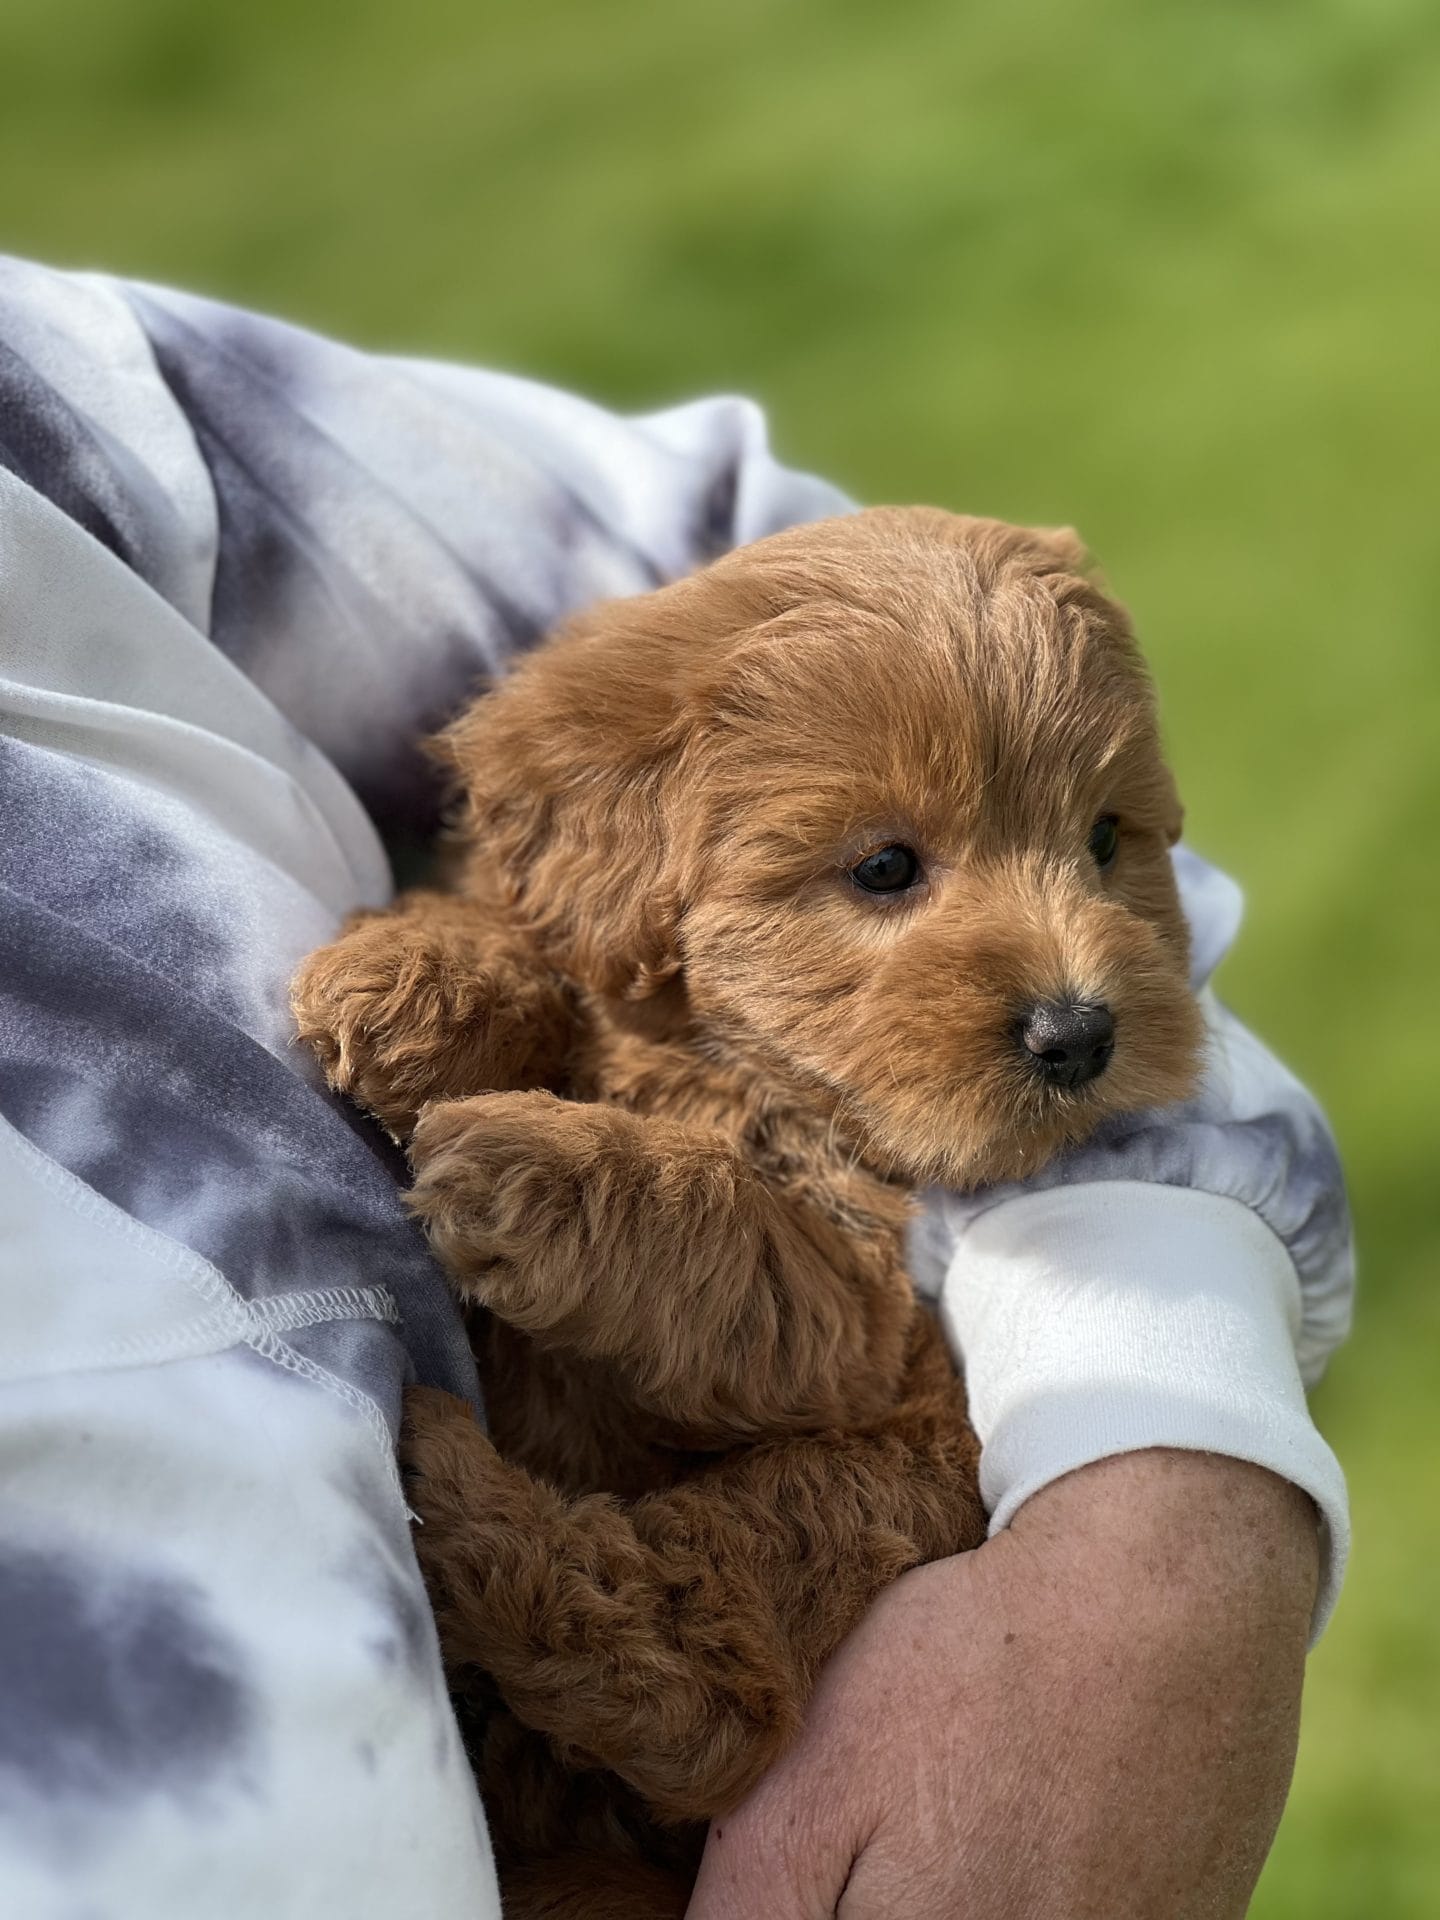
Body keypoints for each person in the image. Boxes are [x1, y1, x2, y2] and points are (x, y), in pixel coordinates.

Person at [0, 253, 1350, 1919]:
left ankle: (648, 1635)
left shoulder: (53, 431)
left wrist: (1162, 1474)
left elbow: (735, 549)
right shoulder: (596, 845)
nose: (1075, 969)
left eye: (1101, 847)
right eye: (883, 870)